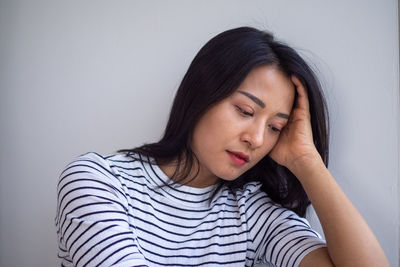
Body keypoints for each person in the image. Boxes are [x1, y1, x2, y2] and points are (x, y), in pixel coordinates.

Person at [55, 27, 388, 267]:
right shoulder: (98, 180)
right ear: (202, 94)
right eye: (245, 111)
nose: (257, 139)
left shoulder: (253, 210)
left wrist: (306, 161)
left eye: (276, 127)